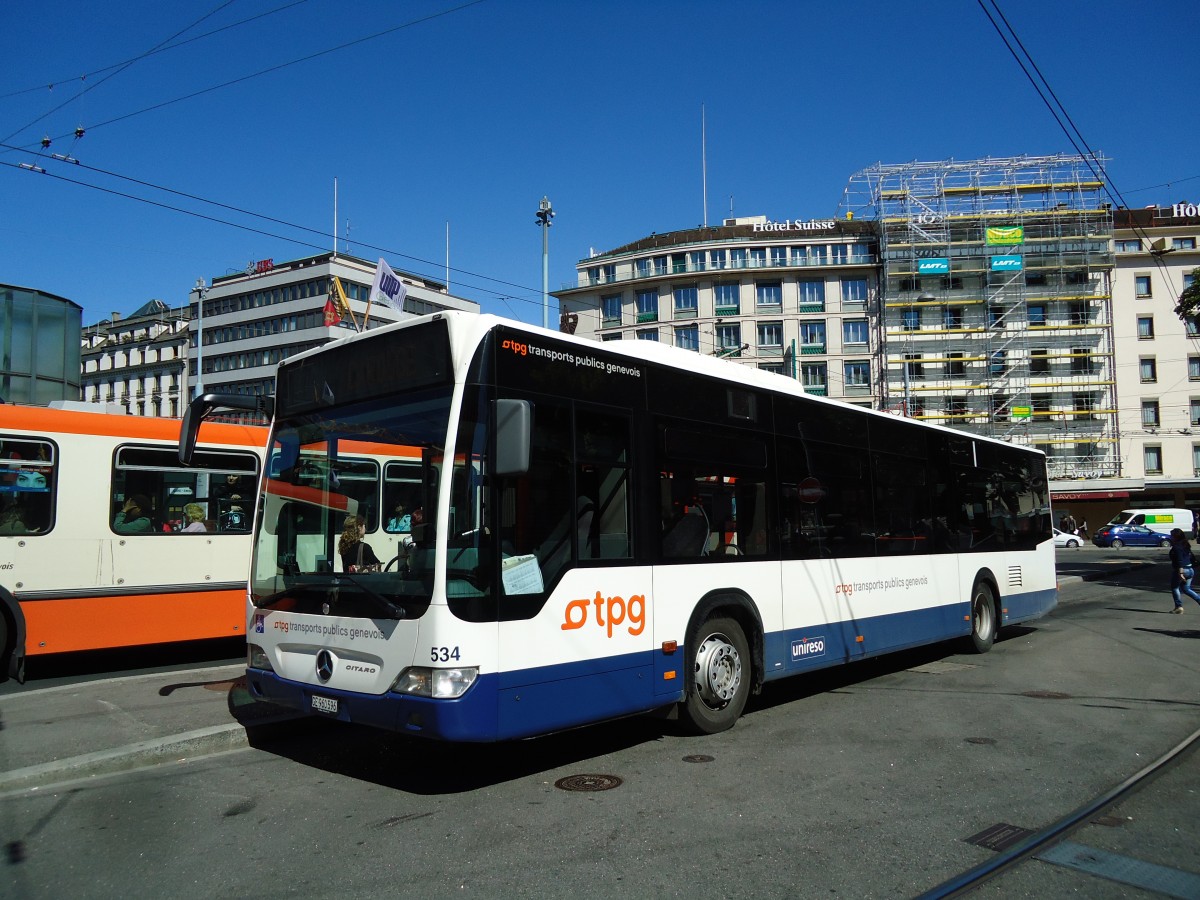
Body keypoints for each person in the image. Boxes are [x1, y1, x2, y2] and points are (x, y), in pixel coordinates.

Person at [1167, 528, 1200, 614]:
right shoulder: (1186, 545)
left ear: (1176, 537)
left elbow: (1179, 560)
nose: (1171, 537)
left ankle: (1178, 607)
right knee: (1186, 589)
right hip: (1190, 570)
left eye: (1172, 535)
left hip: (1182, 570)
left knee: (1175, 587)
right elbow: (1191, 557)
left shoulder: (1177, 547)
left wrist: (1180, 573)